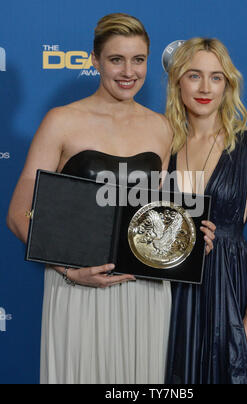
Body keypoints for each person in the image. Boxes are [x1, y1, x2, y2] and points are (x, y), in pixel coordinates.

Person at [6, 14, 215, 384]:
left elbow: (167, 211)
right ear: (95, 60)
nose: (128, 72)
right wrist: (68, 272)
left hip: (144, 289)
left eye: (138, 60)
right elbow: (19, 213)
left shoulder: (163, 127)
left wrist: (194, 238)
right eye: (116, 59)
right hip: (77, 286)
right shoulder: (61, 121)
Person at [164, 37, 247, 384]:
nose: (205, 88)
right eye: (194, 76)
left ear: (227, 85)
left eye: (216, 77)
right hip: (175, 294)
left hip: (231, 288)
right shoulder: (164, 146)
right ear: (177, 81)